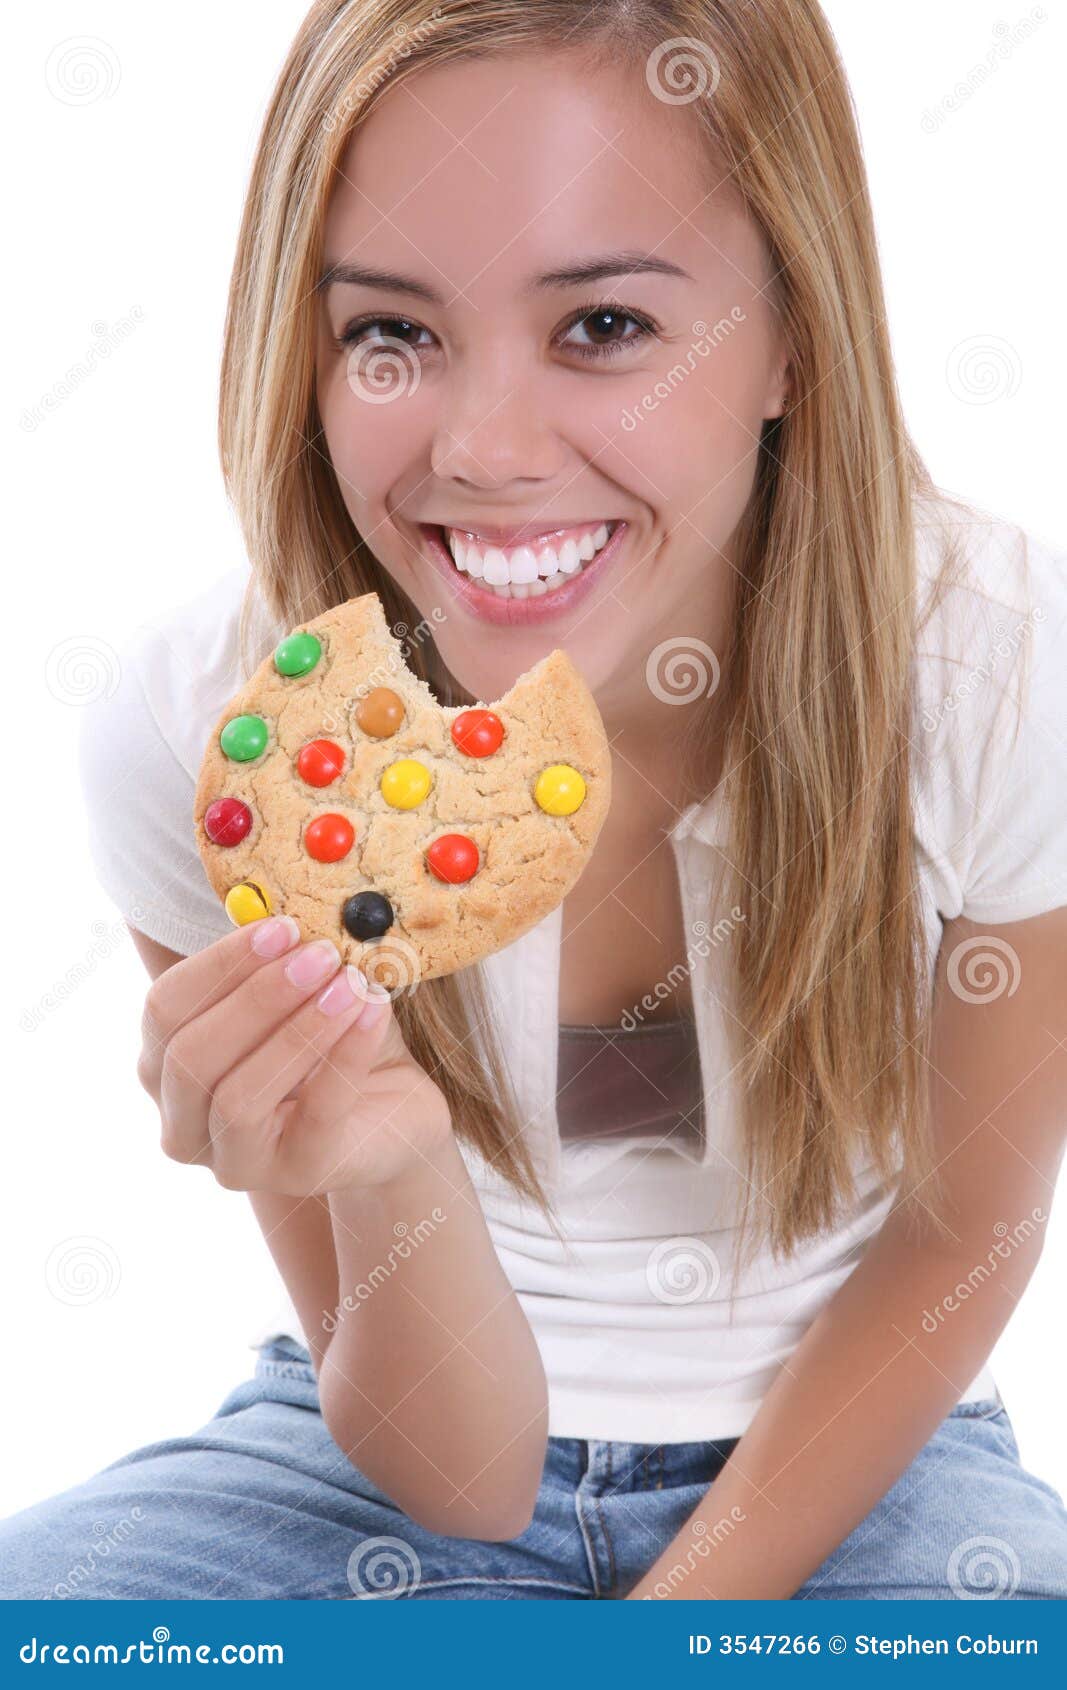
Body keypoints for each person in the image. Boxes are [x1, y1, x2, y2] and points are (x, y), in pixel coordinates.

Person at [3, 0, 1067, 1601]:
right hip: (358, 1461)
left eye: (605, 328)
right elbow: (459, 1469)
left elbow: (961, 1235)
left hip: (868, 1460)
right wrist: (386, 1160)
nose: (485, 451)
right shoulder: (208, 741)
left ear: (790, 335)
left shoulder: (998, 667)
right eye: (392, 334)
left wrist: (674, 1633)